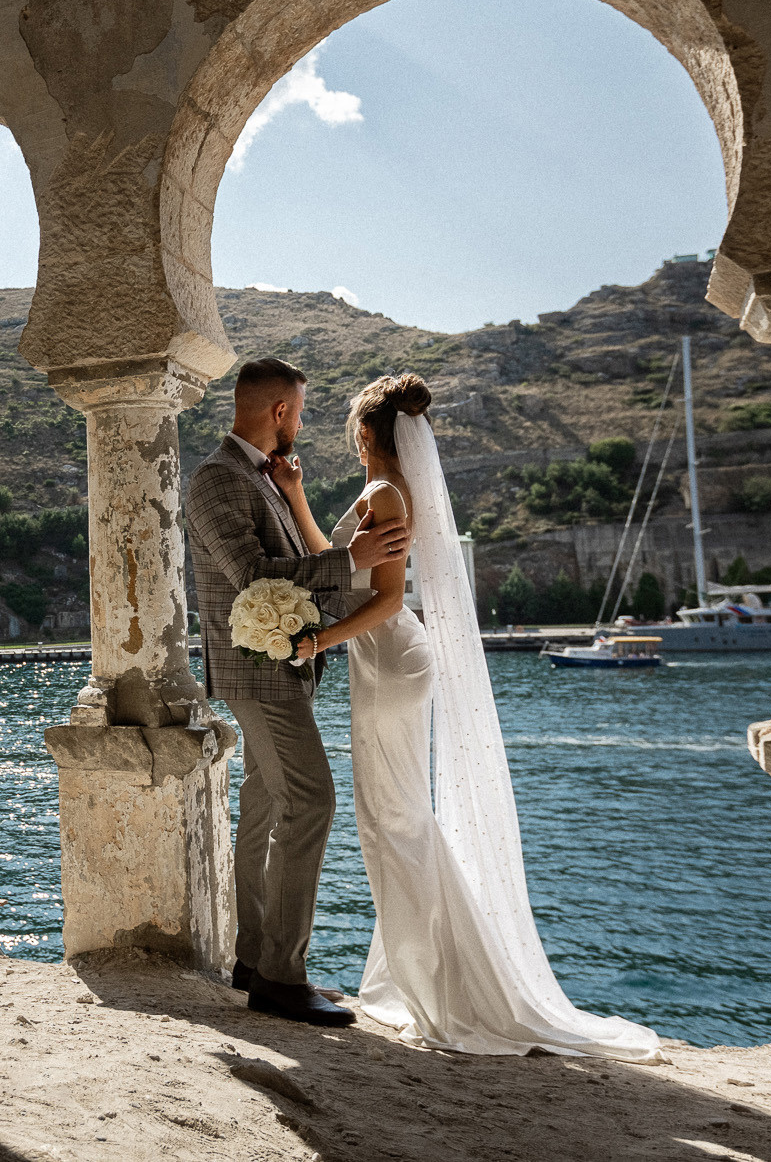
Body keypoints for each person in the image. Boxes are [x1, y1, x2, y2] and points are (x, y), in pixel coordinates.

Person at [280, 373, 663, 1061]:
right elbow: (333, 565)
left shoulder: (387, 493)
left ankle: (451, 989)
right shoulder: (386, 492)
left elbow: (389, 600)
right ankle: (421, 975)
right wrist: (297, 494)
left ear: (366, 434)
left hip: (389, 660)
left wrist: (317, 641)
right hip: (386, 664)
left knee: (395, 822)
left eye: (351, 429)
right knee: (394, 819)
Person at [184, 357, 410, 1027]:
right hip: (260, 673)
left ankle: (254, 959)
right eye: (302, 410)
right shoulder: (218, 479)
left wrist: (296, 495)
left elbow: (285, 560)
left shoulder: (266, 477)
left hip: (282, 667)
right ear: (279, 410)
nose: (304, 422)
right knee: (313, 801)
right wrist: (353, 561)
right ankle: (282, 977)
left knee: (262, 806)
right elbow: (252, 574)